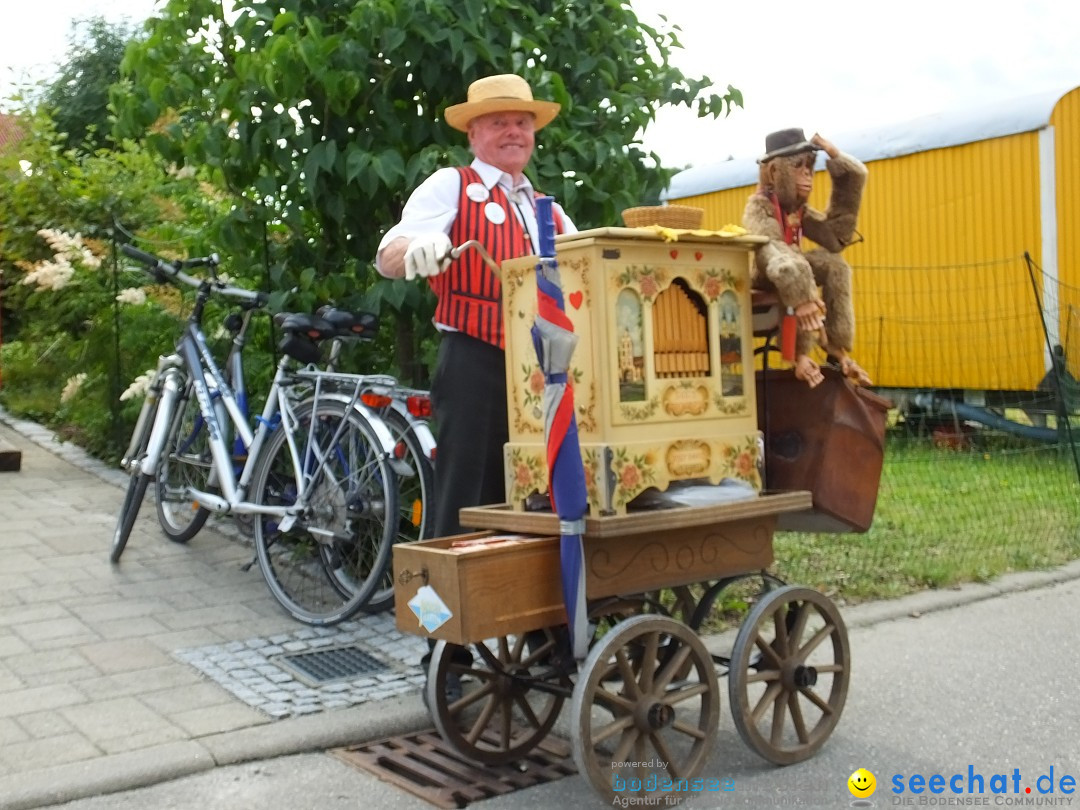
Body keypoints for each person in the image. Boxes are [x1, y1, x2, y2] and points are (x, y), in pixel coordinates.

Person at [376, 73, 577, 698]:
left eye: (522, 121)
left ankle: (542, 638)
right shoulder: (451, 185)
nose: (513, 130)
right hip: (474, 361)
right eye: (498, 122)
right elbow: (389, 252)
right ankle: (443, 652)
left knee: (540, 504)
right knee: (460, 506)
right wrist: (422, 250)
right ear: (474, 132)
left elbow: (582, 261)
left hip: (540, 372)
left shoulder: (544, 203)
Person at [742, 128, 871, 388]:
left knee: (835, 265)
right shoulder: (759, 206)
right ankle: (800, 354)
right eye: (798, 167)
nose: (807, 175)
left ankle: (836, 347)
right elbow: (770, 252)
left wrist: (840, 163)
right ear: (775, 172)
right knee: (793, 264)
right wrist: (803, 298)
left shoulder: (798, 210)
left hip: (793, 268)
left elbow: (836, 236)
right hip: (767, 272)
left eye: (810, 166)